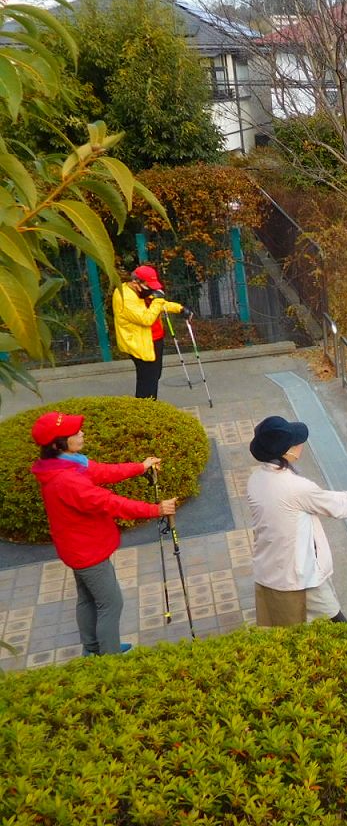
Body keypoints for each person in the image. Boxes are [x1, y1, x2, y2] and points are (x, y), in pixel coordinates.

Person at [32, 410, 177, 655]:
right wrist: (156, 509)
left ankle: (93, 649)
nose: (82, 433)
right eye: (75, 432)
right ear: (59, 444)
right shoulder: (67, 480)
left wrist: (141, 467)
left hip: (77, 547)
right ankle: (109, 658)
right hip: (88, 551)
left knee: (88, 599)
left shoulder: (66, 464)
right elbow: (110, 503)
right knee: (111, 602)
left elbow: (102, 472)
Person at [246, 416, 347, 626]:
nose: (300, 445)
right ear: (285, 450)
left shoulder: (256, 479)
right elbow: (330, 505)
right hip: (298, 575)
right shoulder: (294, 486)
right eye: (296, 442)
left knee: (287, 630)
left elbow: (318, 499)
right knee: (339, 627)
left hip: (269, 569)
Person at [112, 264, 188, 400]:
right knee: (147, 379)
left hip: (155, 338)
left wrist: (179, 308)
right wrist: (158, 301)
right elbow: (146, 318)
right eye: (150, 285)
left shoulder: (142, 291)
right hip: (140, 343)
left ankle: (150, 406)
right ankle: (145, 410)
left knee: (155, 375)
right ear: (136, 282)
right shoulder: (125, 297)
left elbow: (158, 304)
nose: (152, 289)